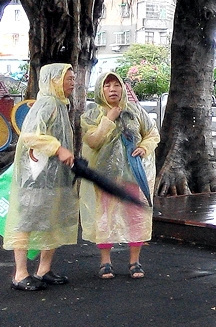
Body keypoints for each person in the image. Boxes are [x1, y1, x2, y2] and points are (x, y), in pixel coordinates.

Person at [4, 63, 78, 290]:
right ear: (54, 80)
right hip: (35, 177)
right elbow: (30, 135)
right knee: (26, 221)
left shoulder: (60, 104)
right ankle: (20, 273)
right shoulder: (46, 103)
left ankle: (43, 269)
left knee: (51, 220)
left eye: (74, 78)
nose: (73, 83)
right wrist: (58, 149)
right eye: (68, 78)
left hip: (53, 177)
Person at [78, 72, 158, 280]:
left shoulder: (134, 111)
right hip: (104, 175)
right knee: (105, 216)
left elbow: (152, 133)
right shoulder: (91, 114)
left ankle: (134, 261)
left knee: (136, 215)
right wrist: (108, 120)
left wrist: (144, 147)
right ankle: (106, 262)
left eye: (116, 85)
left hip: (132, 174)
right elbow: (92, 141)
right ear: (100, 90)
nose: (112, 89)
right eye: (107, 86)